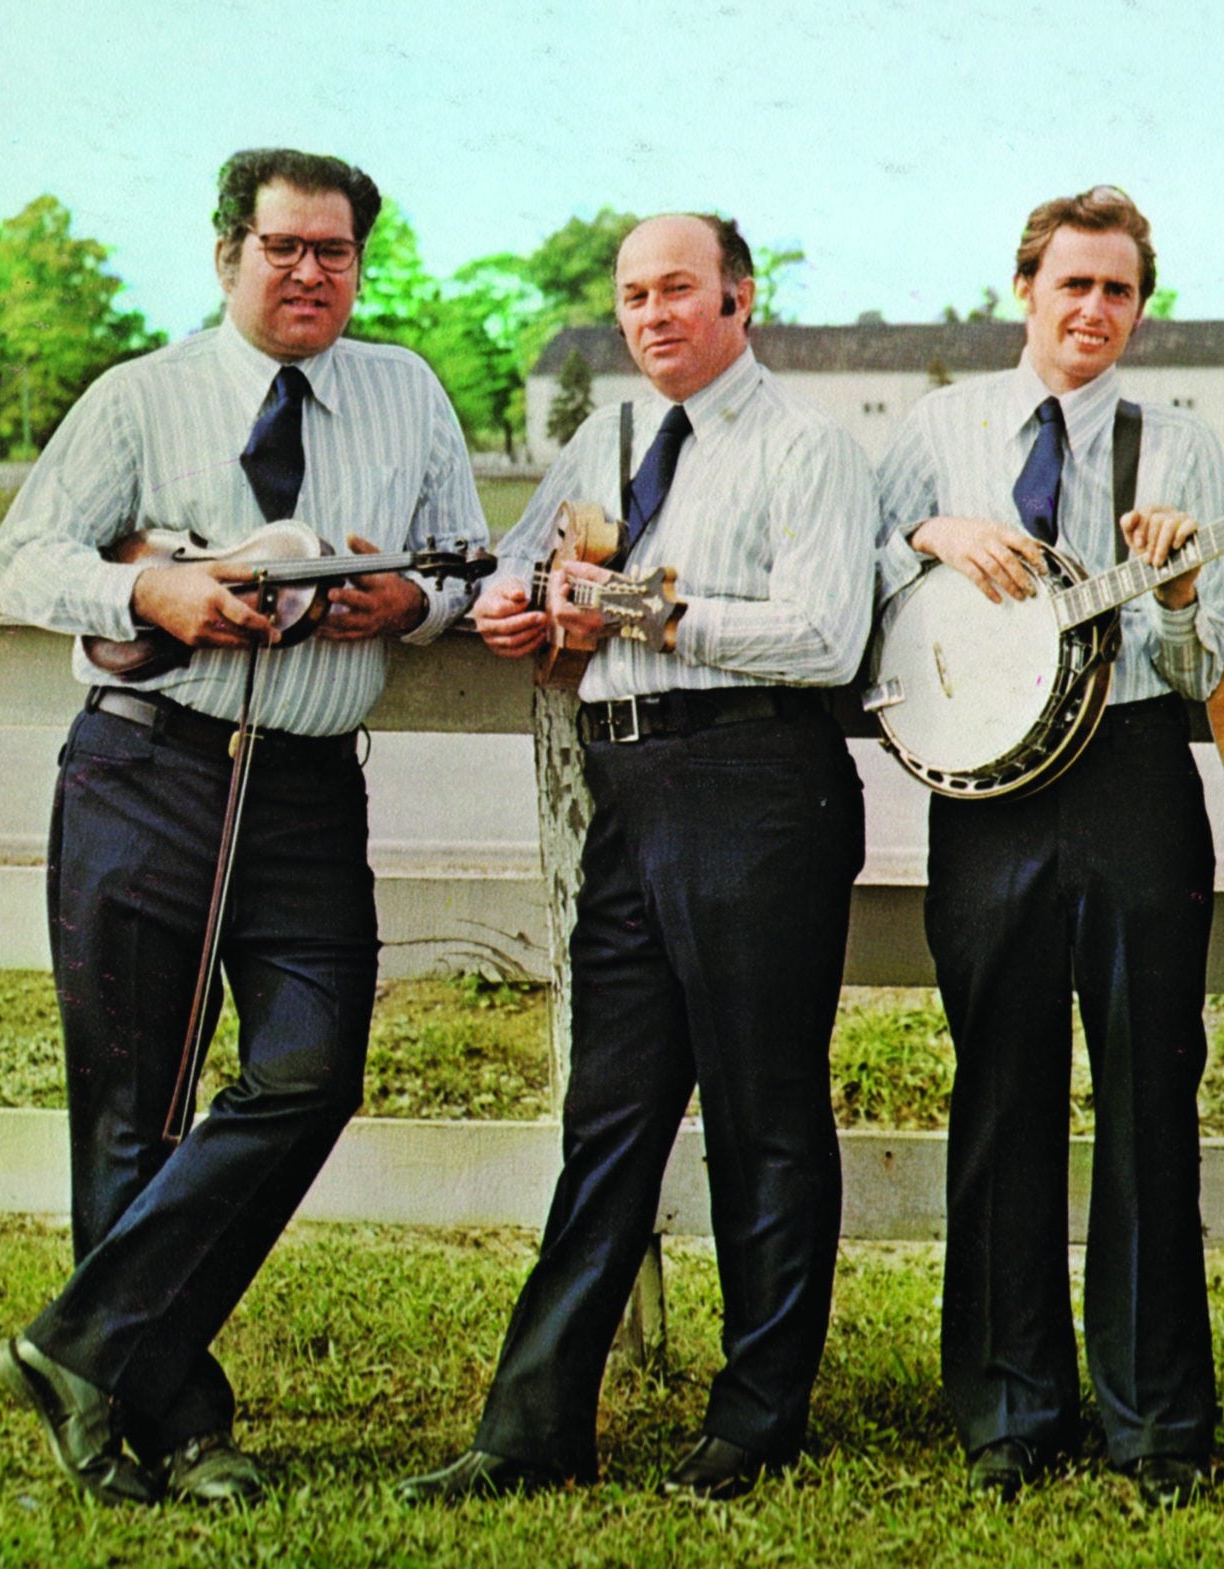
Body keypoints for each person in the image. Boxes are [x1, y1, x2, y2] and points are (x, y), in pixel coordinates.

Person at [0, 147, 490, 1506]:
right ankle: (177, 1424)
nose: (311, 273)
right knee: (131, 1108)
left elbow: (459, 557)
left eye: (335, 252)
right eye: (284, 249)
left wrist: (416, 609)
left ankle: (78, 1344)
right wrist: (153, 594)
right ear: (230, 257)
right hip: (148, 773)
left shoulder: (409, 392)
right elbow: (25, 555)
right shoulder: (139, 396)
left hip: (309, 788)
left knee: (312, 1069)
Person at [395, 212, 876, 1502]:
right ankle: (530, 1429)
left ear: (741, 298)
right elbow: (516, 567)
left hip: (755, 783)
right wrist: (506, 604)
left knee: (763, 1112)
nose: (654, 315)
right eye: (632, 298)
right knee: (607, 1115)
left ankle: (757, 1418)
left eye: (679, 290)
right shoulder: (602, 442)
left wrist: (626, 607)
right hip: (628, 788)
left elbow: (828, 637)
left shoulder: (808, 448)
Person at [872, 185, 1224, 1509]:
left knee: (1150, 1092)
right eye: (1072, 285)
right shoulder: (936, 430)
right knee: (1002, 1088)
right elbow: (853, 582)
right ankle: (1009, 1406)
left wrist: (1190, 586)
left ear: (1141, 306)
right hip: (987, 798)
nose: (1094, 312)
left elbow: (1211, 661)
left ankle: (1157, 1420)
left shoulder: (1179, 445)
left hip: (1137, 778)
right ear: (1023, 287)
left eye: (1119, 292)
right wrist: (931, 531)